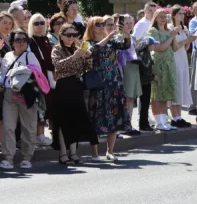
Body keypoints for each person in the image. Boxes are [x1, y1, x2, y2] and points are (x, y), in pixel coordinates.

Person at [85, 16, 131, 161]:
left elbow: (125, 45)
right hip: (98, 83)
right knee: (96, 117)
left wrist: (126, 32)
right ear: (91, 27)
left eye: (103, 24)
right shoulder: (87, 42)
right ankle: (94, 152)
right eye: (98, 24)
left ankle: (110, 151)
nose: (102, 26)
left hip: (114, 81)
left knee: (114, 116)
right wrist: (108, 37)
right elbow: (92, 51)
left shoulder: (112, 41)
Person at [50, 24, 96, 164]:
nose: (71, 38)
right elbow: (57, 65)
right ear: (61, 36)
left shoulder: (77, 49)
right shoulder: (57, 48)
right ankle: (63, 153)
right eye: (68, 35)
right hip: (63, 86)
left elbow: (88, 67)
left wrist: (87, 56)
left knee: (76, 119)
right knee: (64, 120)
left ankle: (74, 152)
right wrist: (74, 57)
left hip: (76, 86)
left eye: (74, 35)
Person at [0, 30, 42, 170]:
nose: (21, 42)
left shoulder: (31, 56)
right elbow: (3, 75)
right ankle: (8, 158)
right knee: (8, 127)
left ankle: (26, 157)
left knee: (28, 127)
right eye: (18, 39)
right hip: (10, 94)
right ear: (12, 42)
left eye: (24, 39)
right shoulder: (7, 56)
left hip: (27, 95)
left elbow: (39, 75)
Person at [148, 9, 181, 130]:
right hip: (159, 64)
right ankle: (158, 121)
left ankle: (164, 120)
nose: (163, 19)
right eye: (160, 16)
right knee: (157, 94)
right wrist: (171, 37)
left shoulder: (168, 31)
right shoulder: (153, 31)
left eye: (165, 17)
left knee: (165, 93)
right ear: (155, 18)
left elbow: (175, 48)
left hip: (169, 64)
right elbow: (159, 47)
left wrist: (174, 36)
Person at [28, 13, 54, 146]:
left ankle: (42, 134)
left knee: (46, 105)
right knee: (40, 106)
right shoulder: (31, 40)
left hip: (48, 76)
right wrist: (52, 66)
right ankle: (39, 135)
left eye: (42, 22)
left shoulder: (46, 39)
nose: (39, 26)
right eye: (36, 23)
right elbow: (37, 60)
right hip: (38, 77)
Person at [170, 6, 196, 124]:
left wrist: (189, 40)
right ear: (174, 15)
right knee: (175, 85)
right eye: (179, 13)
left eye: (183, 13)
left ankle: (179, 116)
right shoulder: (171, 28)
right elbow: (174, 48)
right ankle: (174, 117)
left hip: (183, 58)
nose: (182, 15)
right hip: (174, 59)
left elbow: (185, 48)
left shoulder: (184, 27)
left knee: (181, 84)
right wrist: (186, 40)